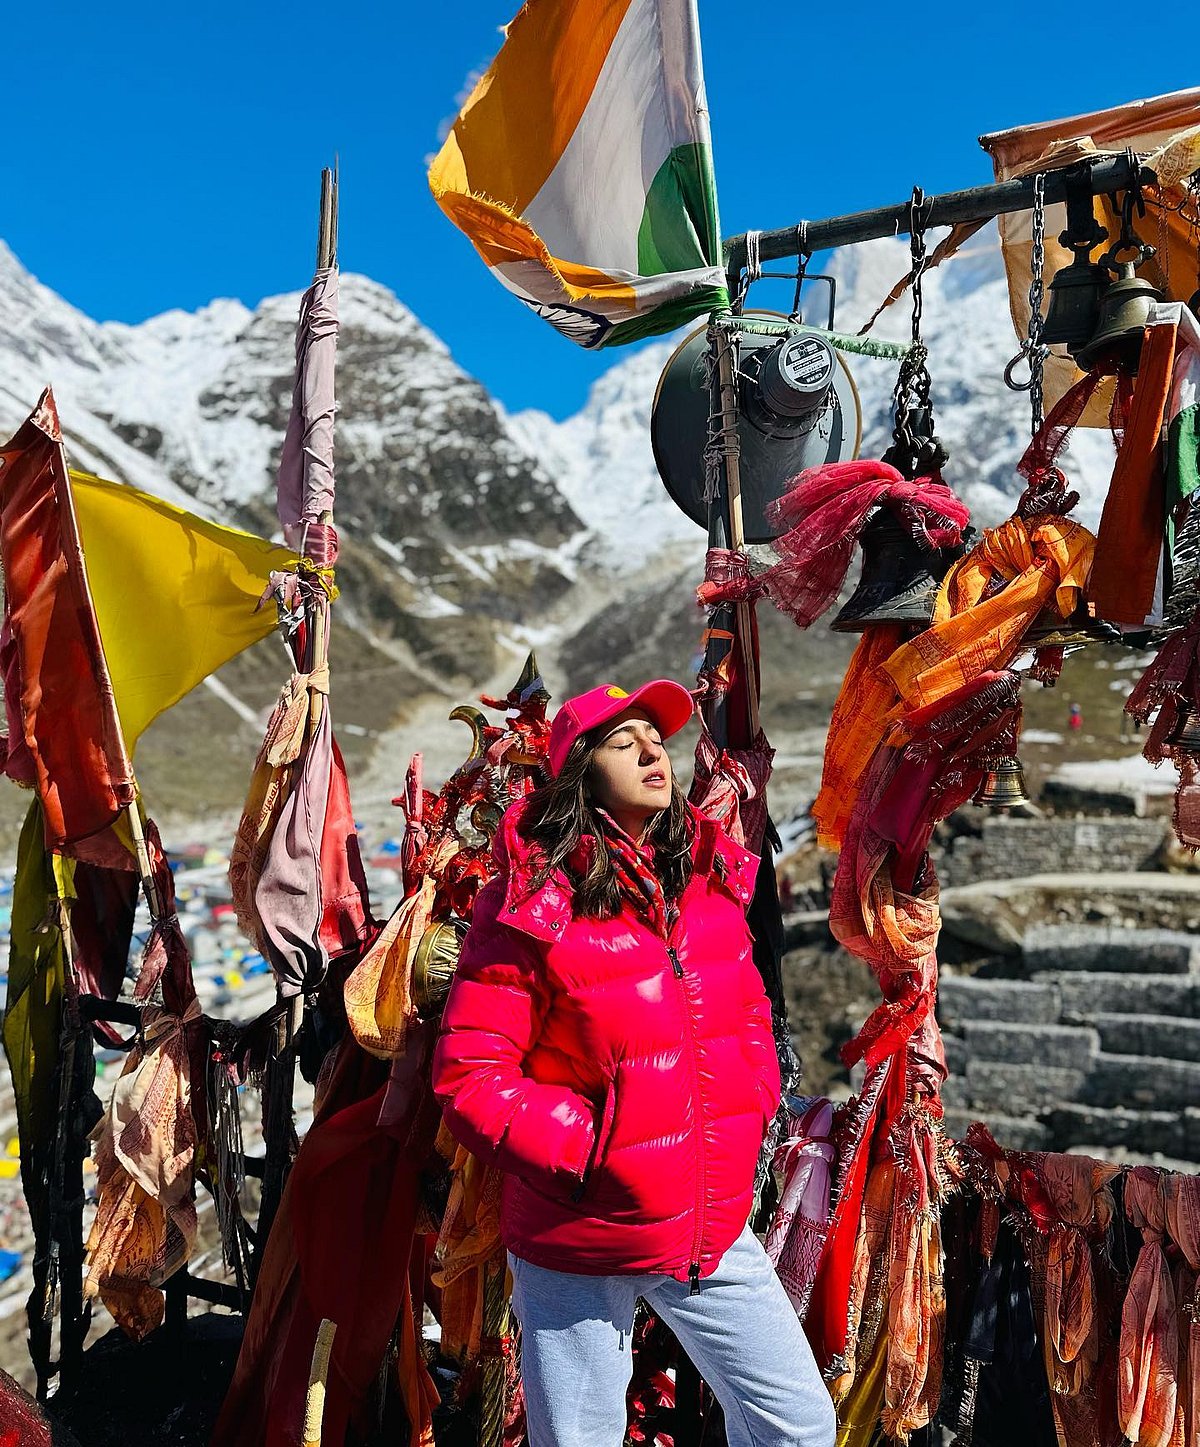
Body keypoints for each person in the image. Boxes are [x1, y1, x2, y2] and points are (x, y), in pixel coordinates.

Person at [432, 680, 836, 1447]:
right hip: (579, 1236)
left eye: (657, 736)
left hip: (708, 1225)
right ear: (581, 769)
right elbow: (471, 1073)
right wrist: (593, 1151)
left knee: (800, 1426)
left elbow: (750, 1020)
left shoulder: (709, 889)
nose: (655, 749)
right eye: (626, 741)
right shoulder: (531, 901)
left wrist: (749, 1111)